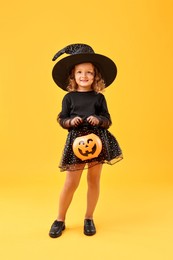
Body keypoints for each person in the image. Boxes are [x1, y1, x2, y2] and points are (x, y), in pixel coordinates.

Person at [49, 44, 123, 238]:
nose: (84, 76)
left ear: (95, 76)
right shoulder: (69, 98)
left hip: (97, 141)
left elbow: (107, 119)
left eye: (89, 72)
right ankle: (60, 219)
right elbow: (62, 118)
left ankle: (89, 217)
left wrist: (99, 120)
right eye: (80, 72)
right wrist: (69, 122)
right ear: (73, 76)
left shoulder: (99, 98)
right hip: (76, 142)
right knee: (70, 183)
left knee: (94, 180)